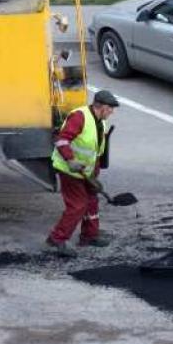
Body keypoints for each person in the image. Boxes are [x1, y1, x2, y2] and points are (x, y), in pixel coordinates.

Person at [45, 90, 119, 257]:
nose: (112, 112)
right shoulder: (79, 117)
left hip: (86, 171)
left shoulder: (100, 122)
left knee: (92, 201)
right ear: (101, 107)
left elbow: (95, 152)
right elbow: (62, 140)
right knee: (78, 205)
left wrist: (94, 176)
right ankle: (56, 239)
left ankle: (89, 236)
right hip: (68, 170)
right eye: (110, 108)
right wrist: (70, 160)